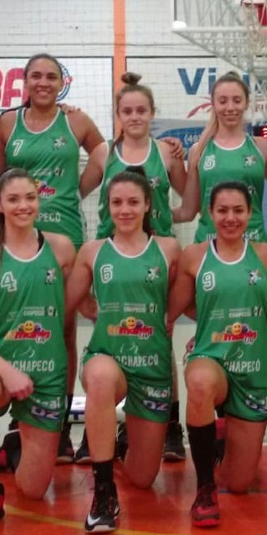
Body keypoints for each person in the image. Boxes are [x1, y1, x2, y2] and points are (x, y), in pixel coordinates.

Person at [0, 53, 104, 463]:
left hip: (65, 236)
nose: (43, 82)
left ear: (61, 82)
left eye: (51, 76)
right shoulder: (7, 124)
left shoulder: (76, 121)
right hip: (17, 237)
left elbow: (104, 157)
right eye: (36, 76)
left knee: (62, 330)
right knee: (17, 326)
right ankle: (20, 423)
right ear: (25, 81)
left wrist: (77, 190)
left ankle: (58, 426)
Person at [0, 168, 76, 535]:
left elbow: (75, 306)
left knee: (34, 490)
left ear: (39, 200)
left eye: (30, 198)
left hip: (46, 371)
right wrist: (6, 371)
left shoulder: (62, 249)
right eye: (14, 199)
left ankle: (14, 442)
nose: (23, 206)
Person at [65, 168, 180, 533]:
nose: (125, 210)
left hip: (152, 367)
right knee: (99, 378)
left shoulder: (168, 250)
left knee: (143, 478)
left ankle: (118, 438)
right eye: (117, 202)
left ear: (147, 205)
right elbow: (65, 302)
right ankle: (103, 494)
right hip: (108, 357)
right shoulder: (93, 252)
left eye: (133, 202)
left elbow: (185, 301)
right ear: (107, 207)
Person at [80, 72, 187, 462]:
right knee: (107, 336)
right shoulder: (103, 154)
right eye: (127, 111)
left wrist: (166, 219)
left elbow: (190, 201)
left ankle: (170, 424)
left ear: (152, 113)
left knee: (160, 334)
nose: (135, 116)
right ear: (118, 115)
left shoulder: (167, 153)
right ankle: (97, 430)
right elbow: (75, 192)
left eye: (142, 110)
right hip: (113, 255)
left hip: (155, 254)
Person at [168, 182, 267, 528]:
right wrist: (209, 326)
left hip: (253, 367)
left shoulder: (265, 255)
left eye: (238, 210)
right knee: (200, 383)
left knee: (240, 483)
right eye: (222, 210)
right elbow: (176, 308)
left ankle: (219, 430)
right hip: (210, 358)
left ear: (250, 213)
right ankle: (204, 488)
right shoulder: (195, 256)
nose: (231, 218)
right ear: (210, 214)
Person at [173, 70, 267, 242]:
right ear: (213, 105)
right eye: (223, 101)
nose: (230, 108)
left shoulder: (262, 147)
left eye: (237, 100)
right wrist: (147, 215)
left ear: (246, 103)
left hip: (253, 243)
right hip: (209, 245)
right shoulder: (198, 150)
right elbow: (188, 212)